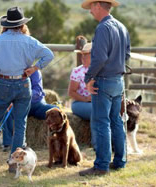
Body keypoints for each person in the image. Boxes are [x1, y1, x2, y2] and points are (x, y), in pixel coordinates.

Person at [0, 7, 54, 171]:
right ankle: (15, 164)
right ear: (22, 24)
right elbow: (49, 55)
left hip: (3, 84)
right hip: (23, 84)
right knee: (20, 125)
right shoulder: (30, 41)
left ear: (6, 24)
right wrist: (35, 68)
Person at [79, 0, 130, 176]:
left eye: (91, 7)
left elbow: (99, 58)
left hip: (104, 81)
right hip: (118, 81)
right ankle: (120, 161)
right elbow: (127, 54)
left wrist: (88, 77)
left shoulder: (102, 28)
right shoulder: (122, 27)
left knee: (101, 123)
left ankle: (101, 166)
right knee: (116, 121)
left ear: (98, 6)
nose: (90, 11)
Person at [2, 70, 57, 151]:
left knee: (56, 110)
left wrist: (22, 96)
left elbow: (37, 91)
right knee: (7, 111)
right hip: (19, 106)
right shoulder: (13, 70)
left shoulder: (35, 72)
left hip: (37, 104)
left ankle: (57, 138)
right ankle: (8, 144)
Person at [68, 43, 92, 121]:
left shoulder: (103, 70)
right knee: (98, 111)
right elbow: (71, 92)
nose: (82, 57)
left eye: (86, 55)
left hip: (99, 102)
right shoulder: (77, 71)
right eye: (82, 55)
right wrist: (86, 99)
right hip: (80, 103)